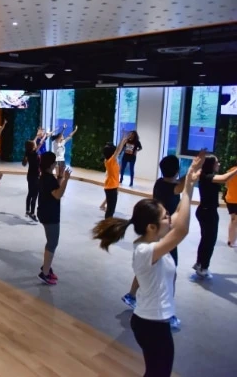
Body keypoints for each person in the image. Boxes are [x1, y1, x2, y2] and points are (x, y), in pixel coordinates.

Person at [92, 152, 204, 377]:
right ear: (151, 227)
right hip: (152, 323)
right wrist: (188, 188)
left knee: (157, 372)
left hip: (154, 321)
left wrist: (189, 182)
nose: (169, 219)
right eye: (165, 217)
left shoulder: (155, 241)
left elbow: (178, 217)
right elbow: (182, 229)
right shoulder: (145, 250)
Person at [122, 155, 186, 331]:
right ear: (176, 171)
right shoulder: (174, 188)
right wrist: (192, 174)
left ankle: (131, 295)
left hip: (158, 231)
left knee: (147, 267)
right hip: (164, 232)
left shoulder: (160, 183)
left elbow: (180, 184)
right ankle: (168, 313)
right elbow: (183, 188)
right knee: (170, 273)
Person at [193, 155, 237, 278]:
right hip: (208, 213)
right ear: (211, 164)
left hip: (205, 211)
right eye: (217, 162)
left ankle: (199, 263)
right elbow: (225, 178)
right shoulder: (208, 177)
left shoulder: (206, 175)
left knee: (205, 240)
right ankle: (203, 267)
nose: (219, 164)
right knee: (209, 241)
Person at [37, 152, 72, 285]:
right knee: (52, 243)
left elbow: (54, 188)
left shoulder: (45, 176)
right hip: (50, 214)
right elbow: (58, 194)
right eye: (55, 162)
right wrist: (66, 180)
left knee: (50, 241)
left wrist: (60, 177)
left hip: (45, 211)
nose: (56, 164)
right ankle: (45, 273)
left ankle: (46, 267)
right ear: (51, 164)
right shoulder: (48, 179)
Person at [22, 135, 48, 221]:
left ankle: (27, 210)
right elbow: (40, 143)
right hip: (35, 176)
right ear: (33, 146)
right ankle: (32, 213)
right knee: (35, 195)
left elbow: (34, 143)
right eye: (34, 143)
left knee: (30, 193)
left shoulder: (28, 152)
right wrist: (45, 135)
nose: (35, 143)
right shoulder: (34, 153)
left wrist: (37, 135)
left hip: (30, 175)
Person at [103, 136, 129, 219]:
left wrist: (123, 142)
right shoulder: (111, 161)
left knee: (110, 209)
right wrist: (122, 140)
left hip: (110, 186)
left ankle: (107, 222)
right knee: (110, 210)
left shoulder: (107, 160)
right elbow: (118, 150)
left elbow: (118, 151)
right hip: (111, 187)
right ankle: (107, 223)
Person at [225, 162, 237, 247]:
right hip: (235, 199)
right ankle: (232, 241)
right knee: (235, 221)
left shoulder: (231, 170)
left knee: (233, 220)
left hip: (230, 199)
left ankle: (230, 240)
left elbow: (226, 184)